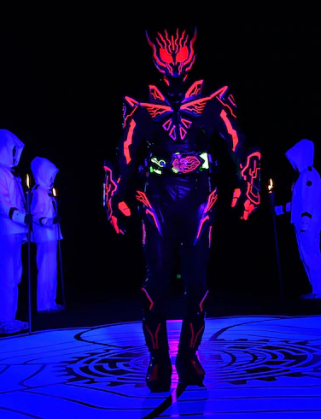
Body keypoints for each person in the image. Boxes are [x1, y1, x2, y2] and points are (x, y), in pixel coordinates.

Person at [103, 28, 260, 391]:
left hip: (199, 195)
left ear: (191, 54)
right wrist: (115, 195)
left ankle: (188, 353)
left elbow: (238, 142)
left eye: (180, 52)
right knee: (155, 279)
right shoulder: (141, 103)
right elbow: (125, 152)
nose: (173, 60)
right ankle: (159, 358)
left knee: (197, 279)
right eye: (166, 53)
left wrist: (248, 185)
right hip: (157, 195)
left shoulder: (213, 99)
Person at [0, 129, 31, 335]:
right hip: (4, 231)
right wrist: (21, 218)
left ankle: (8, 317)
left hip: (13, 231)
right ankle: (1, 319)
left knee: (13, 274)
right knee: (4, 274)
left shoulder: (8, 173)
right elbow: (1, 202)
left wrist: (23, 227)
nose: (14, 154)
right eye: (11, 149)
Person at [276, 139, 321, 299]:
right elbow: (298, 202)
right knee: (306, 255)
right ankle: (316, 289)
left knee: (312, 254)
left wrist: (305, 220)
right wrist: (280, 210)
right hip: (302, 222)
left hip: (308, 224)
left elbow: (309, 200)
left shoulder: (309, 175)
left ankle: (320, 290)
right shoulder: (303, 176)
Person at [30, 157, 64, 313]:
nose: (51, 180)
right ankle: (44, 304)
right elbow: (36, 215)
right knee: (45, 269)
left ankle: (51, 301)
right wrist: (50, 221)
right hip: (44, 236)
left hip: (51, 236)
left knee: (51, 270)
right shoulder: (38, 192)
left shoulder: (46, 192)